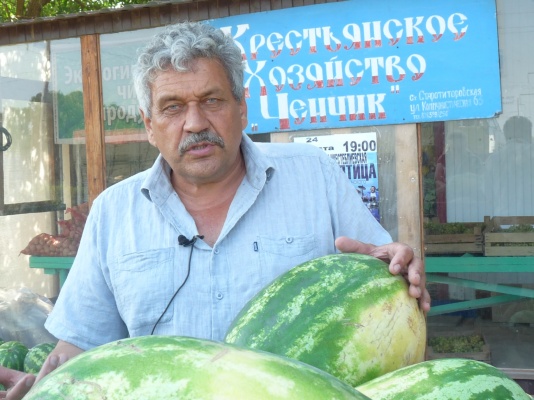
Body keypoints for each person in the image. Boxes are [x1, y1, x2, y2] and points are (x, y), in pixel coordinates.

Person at [2, 21, 430, 399]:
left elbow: (384, 281)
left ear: (241, 108)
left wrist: (398, 270)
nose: (194, 123)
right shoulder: (114, 212)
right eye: (172, 107)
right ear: (148, 125)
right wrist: (46, 388)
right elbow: (81, 346)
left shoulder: (315, 176)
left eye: (211, 100)